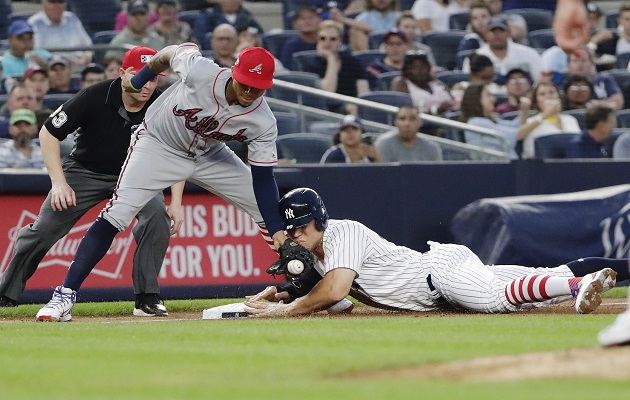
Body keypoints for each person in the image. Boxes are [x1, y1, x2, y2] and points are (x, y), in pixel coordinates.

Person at [34, 44, 300, 322]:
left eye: (257, 88)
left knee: (273, 214)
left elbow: (263, 179)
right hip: (158, 145)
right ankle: (64, 296)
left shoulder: (263, 121)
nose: (249, 92)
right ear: (234, 73)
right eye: (245, 84)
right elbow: (167, 54)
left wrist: (277, 231)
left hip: (208, 153)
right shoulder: (201, 71)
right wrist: (138, 80)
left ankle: (308, 286)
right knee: (118, 212)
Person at [244, 187, 618, 317]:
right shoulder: (319, 254)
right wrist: (283, 292)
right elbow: (336, 300)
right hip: (442, 287)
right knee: (540, 282)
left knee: (494, 300)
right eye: (290, 227)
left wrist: (290, 308)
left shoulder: (344, 232)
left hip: (439, 272)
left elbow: (337, 290)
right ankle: (603, 273)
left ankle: (577, 286)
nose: (295, 233)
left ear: (320, 219)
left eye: (302, 225)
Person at [0, 47, 175, 317]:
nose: (146, 84)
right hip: (85, 171)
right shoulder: (94, 95)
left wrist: (176, 201)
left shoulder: (162, 104)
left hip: (135, 176)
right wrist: (58, 183)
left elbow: (177, 151)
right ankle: (5, 293)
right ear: (122, 74)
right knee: (43, 228)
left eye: (152, 78)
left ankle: (147, 297)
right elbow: (48, 132)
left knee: (157, 216)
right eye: (140, 76)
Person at [302, 20, 370, 114]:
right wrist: (331, 59)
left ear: (340, 41)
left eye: (333, 39)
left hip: (353, 106)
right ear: (317, 40)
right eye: (323, 38)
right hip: (325, 110)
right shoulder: (310, 64)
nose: (327, 42)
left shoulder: (352, 62)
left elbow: (364, 93)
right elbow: (328, 92)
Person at [463, 16, 543, 84]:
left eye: (501, 30)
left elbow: (540, 82)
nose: (497, 34)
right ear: (486, 34)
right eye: (493, 31)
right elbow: (469, 85)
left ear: (509, 32)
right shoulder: (475, 57)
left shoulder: (529, 54)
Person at [460, 82, 527, 159]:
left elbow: (514, 126)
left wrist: (524, 111)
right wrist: (541, 116)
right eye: (488, 95)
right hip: (496, 168)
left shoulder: (491, 119)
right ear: (476, 99)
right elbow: (517, 135)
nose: (494, 99)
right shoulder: (476, 122)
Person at [518, 81, 581, 159]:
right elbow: (518, 135)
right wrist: (545, 115)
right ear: (536, 101)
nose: (548, 96)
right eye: (542, 94)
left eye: (551, 93)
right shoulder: (531, 121)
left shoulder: (570, 119)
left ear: (558, 97)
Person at [28, 0, 93, 69]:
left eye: (60, 1)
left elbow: (89, 46)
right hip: (51, 70)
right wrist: (65, 60)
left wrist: (86, 56)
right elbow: (34, 53)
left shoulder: (72, 18)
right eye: (52, 2)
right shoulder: (34, 23)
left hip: (80, 69)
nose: (56, 6)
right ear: (43, 3)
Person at [391, 50, 453, 115]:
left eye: (423, 67)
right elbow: (406, 113)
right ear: (406, 69)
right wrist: (436, 110)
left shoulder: (437, 83)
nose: (419, 71)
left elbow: (453, 101)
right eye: (414, 67)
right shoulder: (401, 83)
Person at [375, 105, 443, 162]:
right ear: (396, 122)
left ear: (420, 123)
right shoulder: (383, 144)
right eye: (402, 119)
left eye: (412, 119)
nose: (407, 123)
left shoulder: (432, 148)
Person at [192, 0, 264, 45]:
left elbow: (260, 34)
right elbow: (200, 38)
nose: (231, 1)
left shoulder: (247, 16)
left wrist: (250, 37)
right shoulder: (207, 16)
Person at [280, 6, 321, 70]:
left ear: (320, 21)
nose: (307, 22)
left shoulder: (327, 41)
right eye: (303, 18)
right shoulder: (291, 45)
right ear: (295, 24)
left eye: (311, 18)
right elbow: (287, 70)